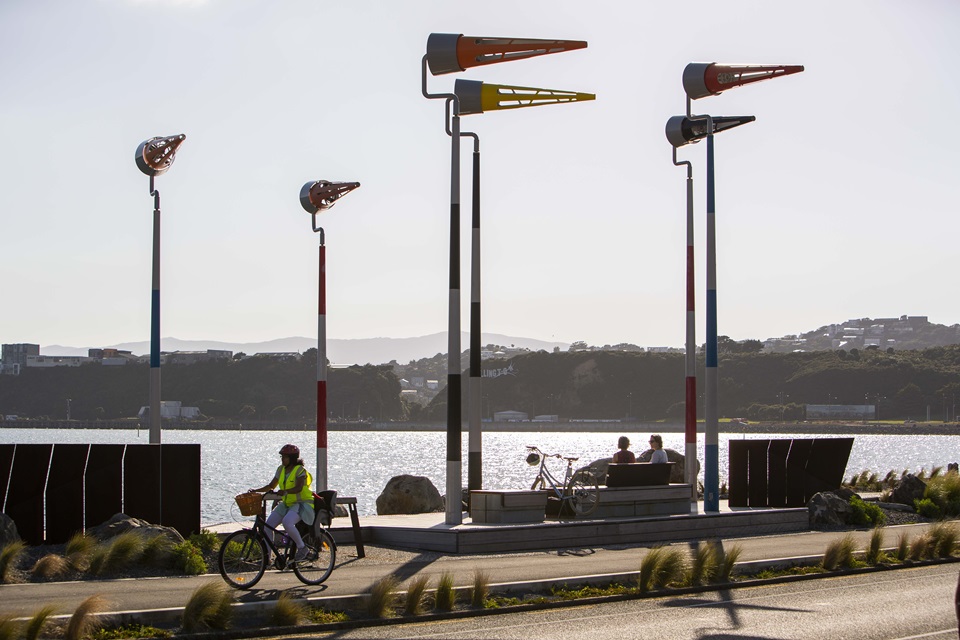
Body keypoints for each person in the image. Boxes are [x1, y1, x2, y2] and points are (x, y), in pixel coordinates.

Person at [249, 444, 315, 561]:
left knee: (287, 522)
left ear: (292, 458)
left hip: (302, 504)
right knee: (267, 527)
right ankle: (267, 559)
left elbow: (299, 488)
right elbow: (271, 486)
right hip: (287, 504)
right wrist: (256, 491)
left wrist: (284, 491)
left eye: (285, 457)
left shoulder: (300, 470)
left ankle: (302, 548)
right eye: (282, 457)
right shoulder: (281, 469)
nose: (282, 459)